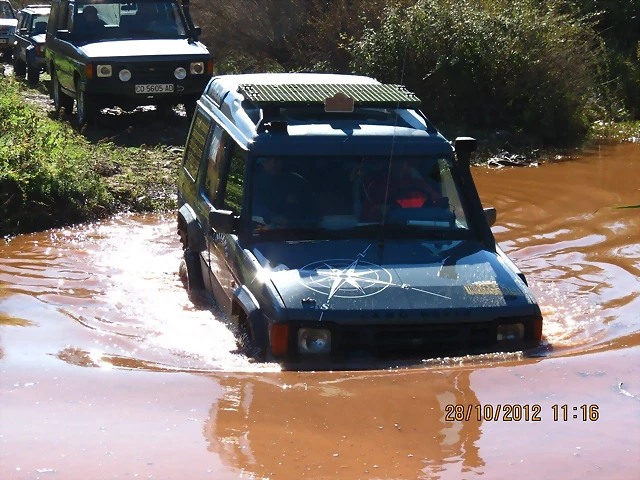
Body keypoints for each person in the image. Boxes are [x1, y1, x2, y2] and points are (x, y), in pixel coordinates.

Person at [358, 157, 446, 221]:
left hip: (422, 229)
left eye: (402, 162)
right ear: (388, 164)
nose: (399, 166)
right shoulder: (377, 185)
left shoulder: (417, 182)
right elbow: (365, 212)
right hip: (390, 231)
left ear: (406, 164)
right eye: (395, 162)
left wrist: (440, 203)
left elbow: (438, 201)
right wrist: (379, 209)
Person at [251, 157, 316, 227]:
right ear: (262, 162)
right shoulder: (252, 183)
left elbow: (312, 209)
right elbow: (252, 209)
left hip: (299, 230)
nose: (274, 163)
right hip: (264, 232)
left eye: (277, 159)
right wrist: (271, 217)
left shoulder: (298, 182)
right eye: (269, 159)